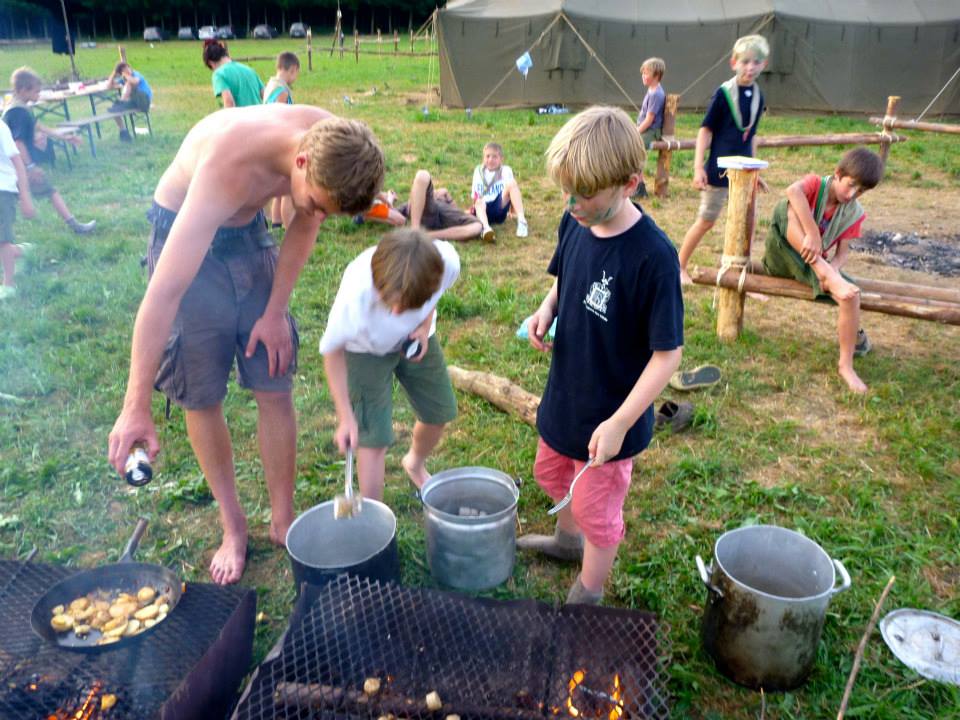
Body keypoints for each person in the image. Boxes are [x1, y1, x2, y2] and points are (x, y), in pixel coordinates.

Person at [107, 105, 385, 585]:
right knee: (202, 390)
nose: (317, 214)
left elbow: (306, 221)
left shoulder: (333, 145)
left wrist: (274, 313)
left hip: (247, 232)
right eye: (316, 202)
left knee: (273, 375)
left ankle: (281, 520)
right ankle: (233, 525)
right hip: (186, 224)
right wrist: (136, 405)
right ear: (300, 164)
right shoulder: (229, 164)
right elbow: (164, 295)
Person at [519, 106, 684, 605]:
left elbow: (667, 356)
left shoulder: (653, 257)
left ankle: (588, 589)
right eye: (565, 191)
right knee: (549, 472)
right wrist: (545, 310)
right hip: (566, 393)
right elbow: (561, 282)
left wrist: (619, 424)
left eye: (584, 193)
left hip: (612, 414)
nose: (571, 203)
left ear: (630, 183)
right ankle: (568, 542)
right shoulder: (576, 222)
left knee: (597, 510)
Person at [319, 228, 460, 500]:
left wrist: (423, 325)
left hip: (415, 340)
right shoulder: (356, 293)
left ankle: (414, 464)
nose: (396, 313)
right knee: (372, 439)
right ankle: (376, 520)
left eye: (406, 306)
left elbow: (437, 293)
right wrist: (346, 416)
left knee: (439, 411)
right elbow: (332, 352)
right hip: (364, 351)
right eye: (389, 303)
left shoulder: (446, 263)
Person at [762, 147, 882, 394]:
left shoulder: (855, 213)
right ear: (838, 174)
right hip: (781, 254)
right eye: (850, 185)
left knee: (852, 295)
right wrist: (813, 233)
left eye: (861, 191)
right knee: (786, 210)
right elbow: (792, 191)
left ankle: (845, 366)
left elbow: (842, 254)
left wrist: (834, 271)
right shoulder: (816, 184)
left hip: (811, 266)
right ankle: (824, 272)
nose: (852, 194)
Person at [677, 35, 769, 284]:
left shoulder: (760, 96)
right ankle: (680, 266)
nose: (750, 67)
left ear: (764, 64)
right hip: (718, 172)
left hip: (744, 174)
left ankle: (742, 278)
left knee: (746, 226)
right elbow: (705, 130)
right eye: (745, 61)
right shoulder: (724, 94)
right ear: (734, 63)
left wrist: (755, 170)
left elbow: (752, 136)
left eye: (756, 62)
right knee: (706, 220)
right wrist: (698, 167)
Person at [2, 67, 96, 235]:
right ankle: (76, 226)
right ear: (24, 90)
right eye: (36, 92)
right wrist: (30, 167)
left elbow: (38, 126)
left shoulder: (19, 107)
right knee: (48, 192)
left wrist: (65, 138)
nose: (38, 95)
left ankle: (74, 225)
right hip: (14, 166)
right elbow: (18, 143)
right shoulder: (18, 112)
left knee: (40, 193)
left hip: (13, 166)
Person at [357, 170, 483, 241]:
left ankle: (417, 232)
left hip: (429, 214)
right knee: (422, 177)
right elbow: (396, 212)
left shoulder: (459, 215)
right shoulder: (450, 208)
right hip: (419, 210)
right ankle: (416, 231)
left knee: (422, 176)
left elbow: (476, 226)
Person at [263, 52, 301, 228]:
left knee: (278, 186)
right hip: (281, 142)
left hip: (269, 142)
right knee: (287, 187)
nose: (296, 78)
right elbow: (280, 118)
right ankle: (289, 226)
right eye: (296, 74)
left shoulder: (270, 84)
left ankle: (276, 221)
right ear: (292, 69)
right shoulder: (282, 92)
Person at [0, 117, 36, 299]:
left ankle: (8, 283)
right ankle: (20, 251)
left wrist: (25, 196)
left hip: (3, 189)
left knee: (2, 239)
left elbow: (17, 162)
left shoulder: (1, 128)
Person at [471, 142, 529, 242]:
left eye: (494, 157)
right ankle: (486, 229)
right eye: (487, 156)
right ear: (483, 158)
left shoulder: (505, 170)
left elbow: (510, 191)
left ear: (501, 159)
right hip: (482, 209)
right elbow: (475, 195)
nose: (490, 160)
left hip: (498, 207)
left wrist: (512, 210)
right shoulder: (478, 170)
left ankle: (522, 221)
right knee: (479, 201)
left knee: (512, 183)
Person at [635, 57, 666, 199]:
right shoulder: (652, 90)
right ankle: (638, 185)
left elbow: (649, 120)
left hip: (651, 131)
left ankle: (640, 187)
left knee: (633, 151)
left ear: (656, 76)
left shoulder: (656, 94)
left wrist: (636, 132)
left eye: (646, 73)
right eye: (643, 73)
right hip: (646, 129)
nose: (643, 76)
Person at [203, 39, 264, 108]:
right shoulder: (250, 70)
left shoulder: (219, 74)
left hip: (240, 118)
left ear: (210, 62)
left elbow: (229, 103)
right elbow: (265, 96)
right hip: (260, 116)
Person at [106, 61, 153, 142]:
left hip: (144, 101)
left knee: (129, 84)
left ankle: (121, 103)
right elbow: (109, 86)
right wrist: (114, 73)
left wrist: (126, 76)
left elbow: (135, 81)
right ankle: (123, 131)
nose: (127, 70)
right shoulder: (123, 78)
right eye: (123, 70)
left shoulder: (136, 74)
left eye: (127, 68)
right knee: (114, 109)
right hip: (135, 102)